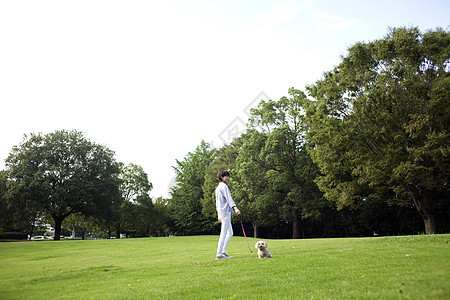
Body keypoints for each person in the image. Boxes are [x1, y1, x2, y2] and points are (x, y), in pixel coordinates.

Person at [215, 170, 240, 259]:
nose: (228, 178)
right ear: (221, 177)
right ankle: (219, 254)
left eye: (228, 176)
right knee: (224, 233)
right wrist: (235, 208)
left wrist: (219, 215)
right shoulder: (224, 187)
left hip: (222, 213)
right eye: (226, 176)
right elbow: (229, 198)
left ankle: (222, 251)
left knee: (230, 233)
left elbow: (217, 204)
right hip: (225, 212)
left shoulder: (218, 188)